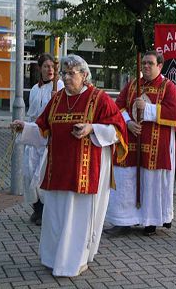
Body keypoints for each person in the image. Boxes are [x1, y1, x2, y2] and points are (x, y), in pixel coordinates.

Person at [11, 54, 127, 277]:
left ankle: (75, 261)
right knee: (54, 216)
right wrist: (23, 127)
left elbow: (117, 131)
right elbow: (43, 130)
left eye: (70, 74)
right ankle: (52, 257)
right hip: (58, 169)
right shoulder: (57, 99)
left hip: (85, 171)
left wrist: (92, 128)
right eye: (64, 73)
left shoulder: (99, 99)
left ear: (84, 75)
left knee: (77, 218)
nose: (65, 78)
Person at [105, 51, 176, 237]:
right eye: (143, 63)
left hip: (156, 146)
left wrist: (148, 109)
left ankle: (151, 221)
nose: (146, 67)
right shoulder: (133, 84)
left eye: (150, 63)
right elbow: (118, 105)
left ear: (160, 66)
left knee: (151, 183)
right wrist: (128, 122)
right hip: (132, 142)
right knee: (127, 180)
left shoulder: (168, 87)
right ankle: (123, 220)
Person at [22, 53, 64, 225]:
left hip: (49, 138)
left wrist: (57, 99)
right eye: (46, 66)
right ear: (40, 68)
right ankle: (36, 208)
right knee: (28, 173)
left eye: (52, 67)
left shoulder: (60, 86)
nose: (50, 70)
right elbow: (33, 115)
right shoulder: (34, 89)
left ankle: (45, 211)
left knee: (41, 175)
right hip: (34, 136)